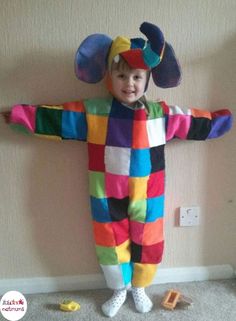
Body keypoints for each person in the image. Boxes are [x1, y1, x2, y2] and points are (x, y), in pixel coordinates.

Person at [1, 22, 233, 317]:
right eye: (121, 75)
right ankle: (119, 289)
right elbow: (57, 119)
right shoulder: (94, 112)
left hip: (149, 192)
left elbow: (193, 122)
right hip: (106, 193)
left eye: (137, 76)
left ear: (147, 79)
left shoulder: (159, 114)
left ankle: (140, 286)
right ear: (109, 77)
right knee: (109, 242)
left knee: (148, 240)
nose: (129, 83)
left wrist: (220, 121)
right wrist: (22, 116)